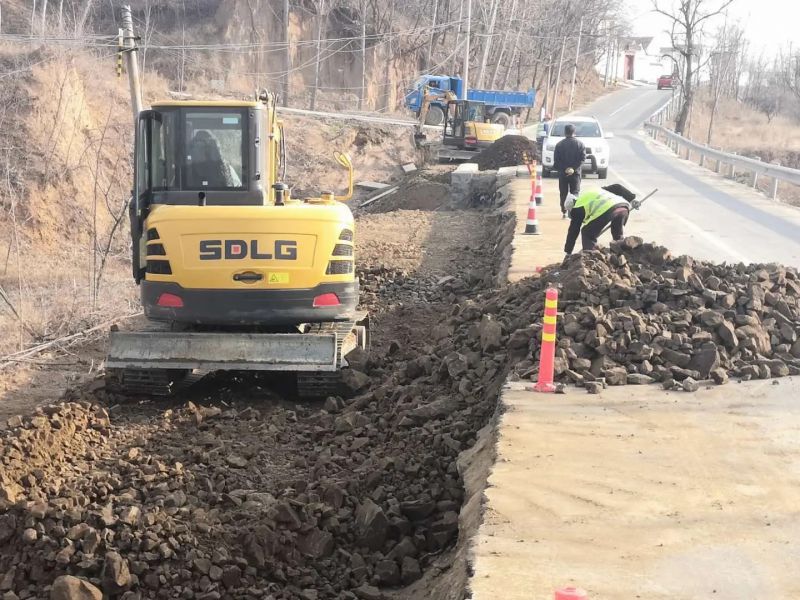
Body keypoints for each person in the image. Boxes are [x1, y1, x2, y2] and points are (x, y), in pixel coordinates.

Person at [563, 183, 639, 258]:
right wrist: (632, 199)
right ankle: (621, 254)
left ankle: (590, 257)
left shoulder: (577, 208)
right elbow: (617, 187)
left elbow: (573, 232)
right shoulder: (593, 191)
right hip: (623, 207)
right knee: (617, 234)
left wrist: (568, 252)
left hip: (608, 209)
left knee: (587, 233)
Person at [553, 123, 586, 218]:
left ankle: (564, 211)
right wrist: (573, 168)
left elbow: (556, 161)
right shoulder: (580, 144)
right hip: (575, 174)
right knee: (575, 192)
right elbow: (582, 159)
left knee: (563, 192)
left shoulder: (559, 145)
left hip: (563, 174)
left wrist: (565, 169)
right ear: (574, 132)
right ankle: (573, 212)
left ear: (565, 132)